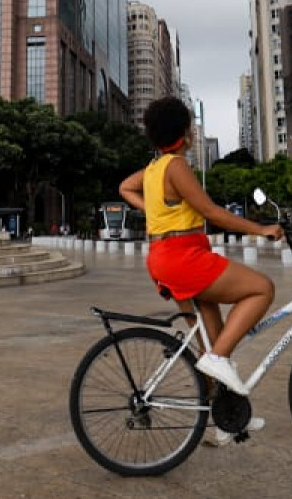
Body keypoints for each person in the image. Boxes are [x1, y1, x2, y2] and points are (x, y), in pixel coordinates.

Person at [119, 97, 283, 444]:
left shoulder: (152, 170)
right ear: (184, 132)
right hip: (184, 257)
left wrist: (154, 211)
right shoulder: (176, 167)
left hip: (164, 258)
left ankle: (226, 420)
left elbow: (124, 188)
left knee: (210, 339)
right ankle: (219, 361)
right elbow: (213, 213)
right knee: (262, 289)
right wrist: (262, 229)